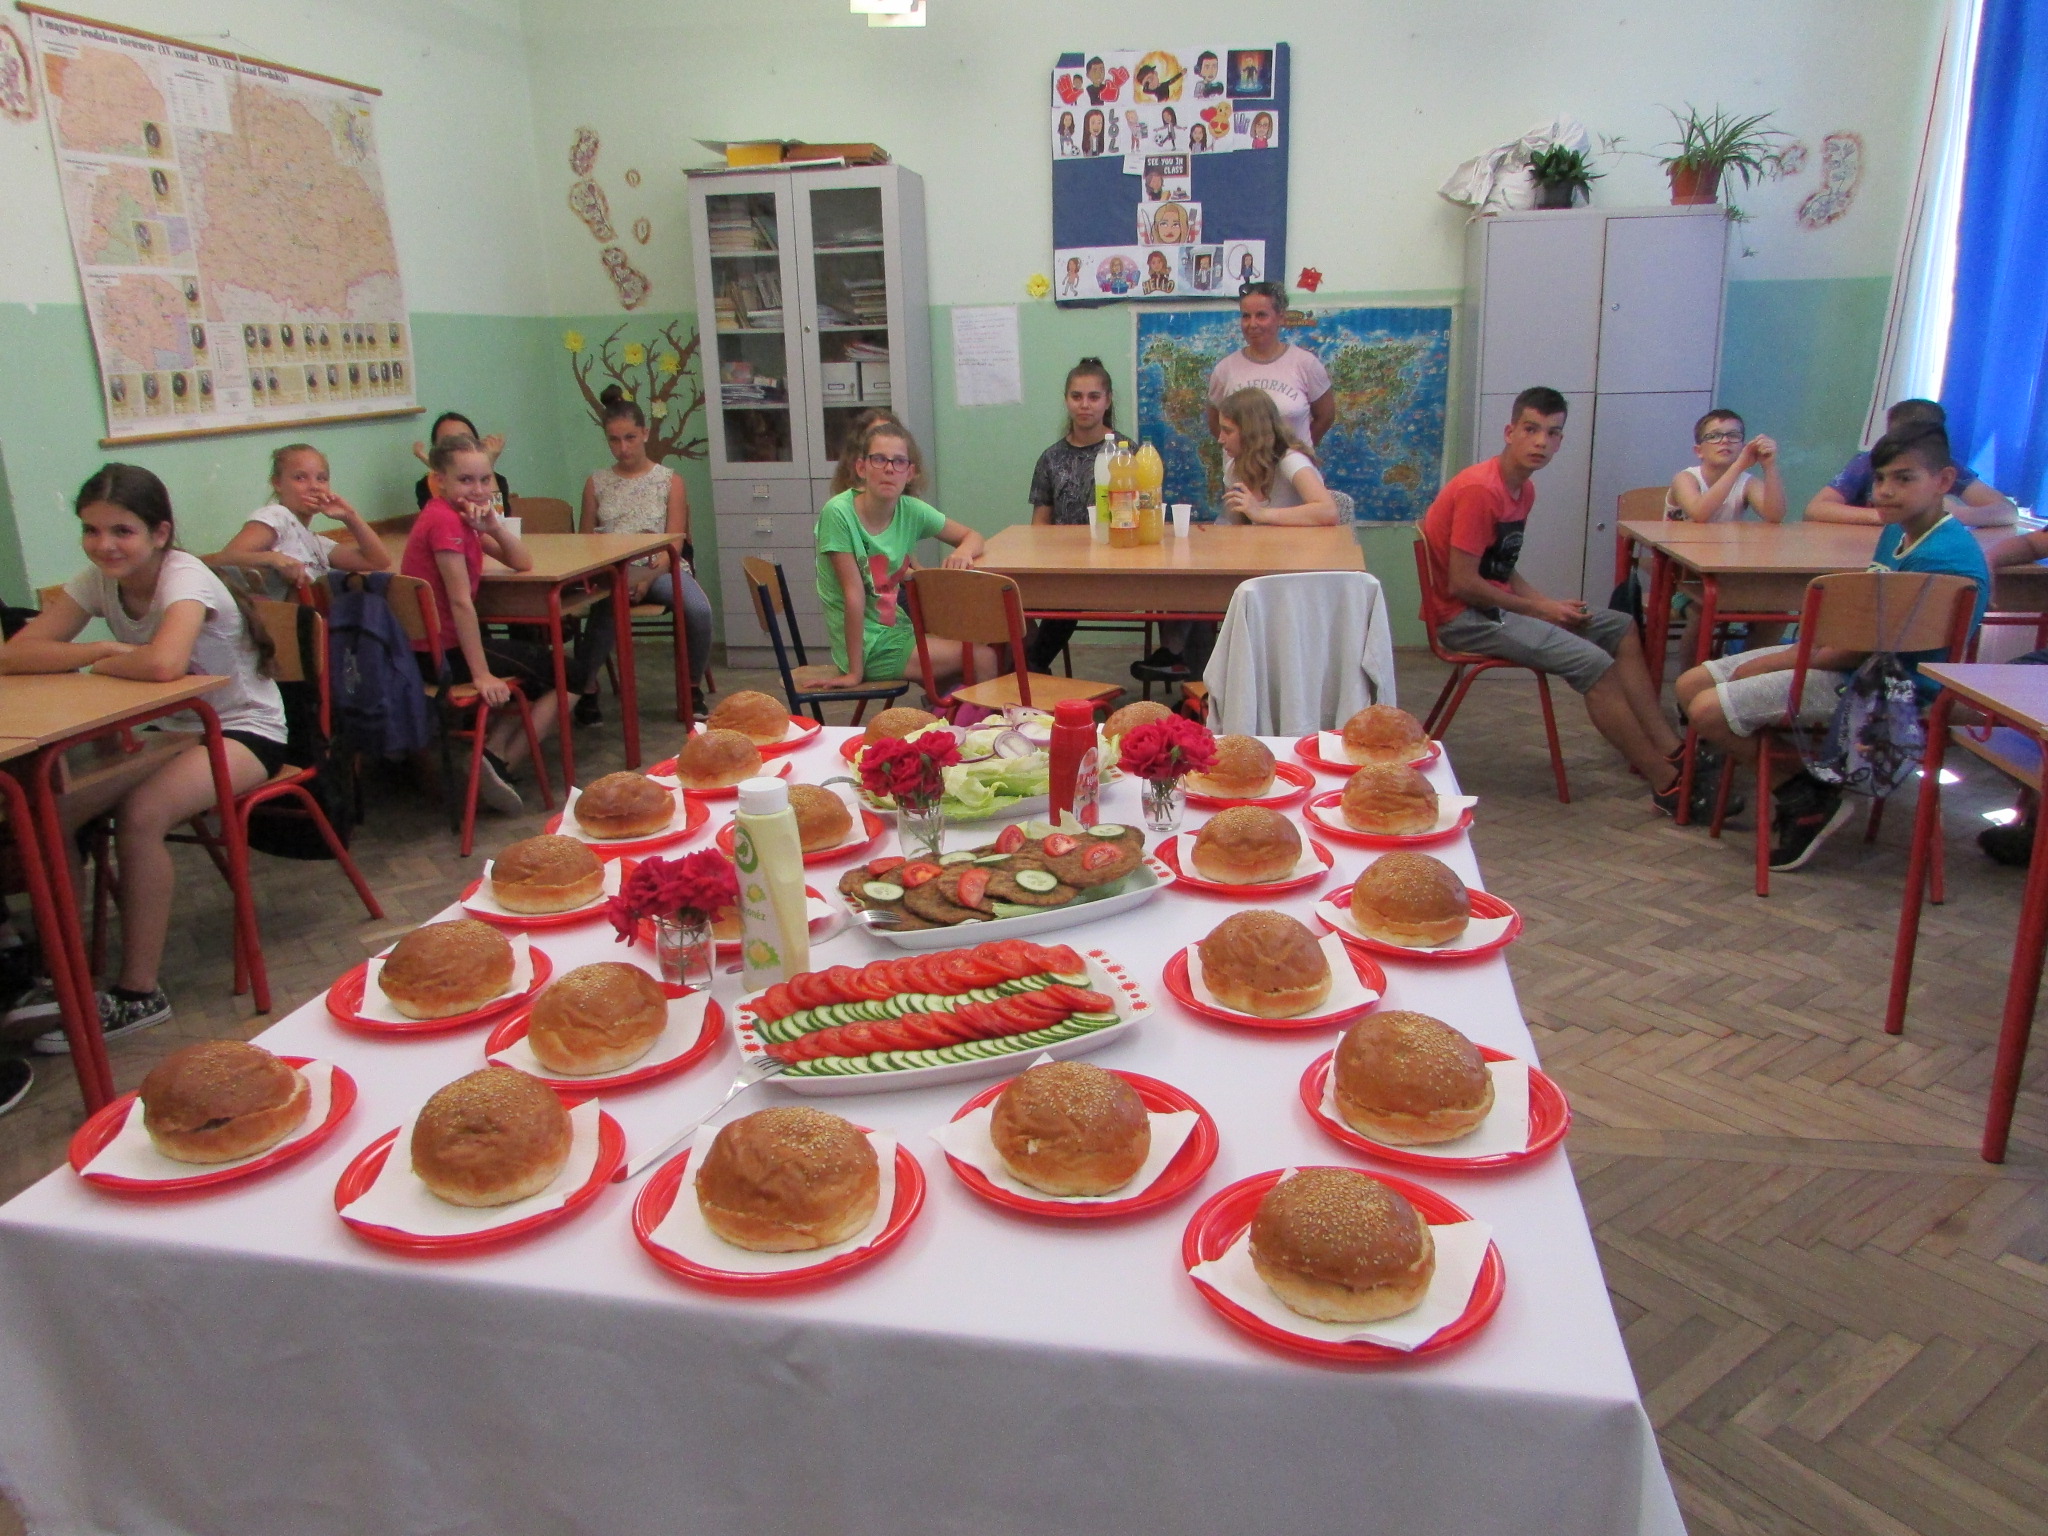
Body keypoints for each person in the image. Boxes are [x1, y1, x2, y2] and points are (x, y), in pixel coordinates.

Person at [0, 464, 287, 1048]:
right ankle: (62, 976)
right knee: (51, 811)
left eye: (121, 531)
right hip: (171, 729)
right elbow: (15, 654)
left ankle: (139, 992)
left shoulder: (185, 576)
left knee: (141, 815)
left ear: (160, 533)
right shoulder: (98, 579)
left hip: (243, 730)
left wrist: (95, 656)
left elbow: (163, 664)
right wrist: (101, 650)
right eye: (92, 530)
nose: (104, 544)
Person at [1678, 423, 1989, 869]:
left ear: (1943, 481)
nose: (1885, 491)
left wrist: (1781, 660)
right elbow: (1860, 628)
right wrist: (1791, 656)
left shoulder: (1942, 558)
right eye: (1880, 478)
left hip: (1887, 689)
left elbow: (1865, 649)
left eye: (1904, 478)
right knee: (1691, 684)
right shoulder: (1898, 531)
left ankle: (1807, 796)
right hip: (1849, 661)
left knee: (1708, 710)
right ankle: (1809, 784)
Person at [1423, 388, 1694, 816]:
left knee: (1620, 626)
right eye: (1531, 430)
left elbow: (1500, 567)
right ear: (1510, 432)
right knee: (1593, 663)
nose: (1541, 442)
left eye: (1552, 433)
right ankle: (1666, 783)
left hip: (1494, 607)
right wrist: (1542, 610)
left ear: (1560, 441)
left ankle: (1671, 748)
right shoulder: (1480, 489)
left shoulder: (1523, 490)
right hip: (1463, 619)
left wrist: (1547, 604)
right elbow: (1463, 584)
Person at [401, 434, 568, 813]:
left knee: (545, 670)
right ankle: (495, 761)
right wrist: (481, 675)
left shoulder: (460, 517)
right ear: (439, 480)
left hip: (437, 650)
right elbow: (460, 602)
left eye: (484, 479)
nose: (477, 490)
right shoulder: (444, 522)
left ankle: (490, 757)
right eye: (465, 480)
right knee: (567, 673)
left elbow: (522, 562)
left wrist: (493, 527)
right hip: (442, 655)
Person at [814, 419, 992, 696]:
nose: (889, 468)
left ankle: (953, 719)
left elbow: (972, 536)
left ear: (910, 473)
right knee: (984, 657)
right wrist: (854, 672)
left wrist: (962, 551)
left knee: (987, 649)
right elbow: (853, 594)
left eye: (898, 462)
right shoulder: (838, 513)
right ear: (861, 468)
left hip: (898, 630)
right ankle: (983, 723)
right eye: (879, 459)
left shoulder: (911, 510)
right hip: (868, 646)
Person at [568, 387, 713, 725]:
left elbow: (674, 544)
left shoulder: (669, 481)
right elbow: (585, 542)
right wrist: (615, 574)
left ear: (645, 433)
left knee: (698, 609)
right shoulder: (597, 483)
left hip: (661, 568)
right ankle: (585, 687)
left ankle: (691, 686)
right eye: (614, 440)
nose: (623, 448)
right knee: (604, 611)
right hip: (613, 572)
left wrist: (646, 579)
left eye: (630, 438)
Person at [1026, 360, 1131, 671]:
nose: (1085, 405)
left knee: (1071, 595)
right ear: (1066, 400)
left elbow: (1140, 514)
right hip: (1065, 567)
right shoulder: (1051, 458)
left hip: (1117, 563)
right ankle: (1030, 668)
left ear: (1107, 401)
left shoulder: (1127, 453)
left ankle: (1032, 667)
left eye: (1094, 397)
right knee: (1017, 597)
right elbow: (1040, 524)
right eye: (1077, 396)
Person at [1664, 408, 1790, 654]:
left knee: (1778, 613)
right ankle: (1690, 673)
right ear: (1699, 450)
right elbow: (1700, 513)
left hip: (1727, 574)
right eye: (1714, 436)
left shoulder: (1746, 482)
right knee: (1702, 613)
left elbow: (1775, 515)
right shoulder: (1686, 479)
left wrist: (1769, 466)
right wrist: (1739, 465)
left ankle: (1745, 668)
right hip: (1684, 577)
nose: (1724, 441)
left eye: (1733, 436)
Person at [213, 443, 392, 597]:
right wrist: (272, 558)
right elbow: (225, 558)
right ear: (277, 483)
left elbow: (378, 561)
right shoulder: (277, 515)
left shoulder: (316, 543)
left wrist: (350, 516)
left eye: (321, 479)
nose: (314, 486)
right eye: (300, 478)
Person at [1806, 398, 2014, 526]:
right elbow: (1817, 508)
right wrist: (1888, 515)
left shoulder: (1944, 466)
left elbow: (2007, 511)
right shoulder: (1869, 462)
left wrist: (1961, 516)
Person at [1205, 282, 1334, 449]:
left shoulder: (1306, 364)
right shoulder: (1224, 369)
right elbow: (1215, 421)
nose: (1252, 324)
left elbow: (1325, 416)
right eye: (1246, 316)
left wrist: (1299, 452)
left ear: (1280, 317)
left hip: (1292, 465)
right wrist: (1242, 454)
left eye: (1261, 315)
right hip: (1242, 466)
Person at [1216, 388, 1337, 525]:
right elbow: (1237, 529)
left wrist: (1261, 513)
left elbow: (1328, 512)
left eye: (1228, 431)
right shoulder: (1234, 469)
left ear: (1251, 433)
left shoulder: (1291, 460)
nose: (1220, 439)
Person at [412, 411, 510, 512]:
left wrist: (488, 463)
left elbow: (499, 514)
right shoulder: (425, 485)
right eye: (449, 442)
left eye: (465, 439)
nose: (458, 446)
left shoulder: (497, 480)